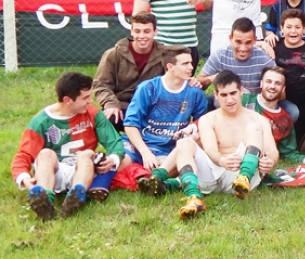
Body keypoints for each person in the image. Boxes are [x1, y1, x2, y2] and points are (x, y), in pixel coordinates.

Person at [11, 72, 123, 220]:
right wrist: (25, 180)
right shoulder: (41, 121)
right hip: (54, 171)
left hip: (82, 170)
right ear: (67, 100)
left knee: (87, 154)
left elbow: (115, 142)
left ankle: (76, 195)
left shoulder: (94, 114)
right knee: (45, 154)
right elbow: (23, 155)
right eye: (85, 98)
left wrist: (113, 158)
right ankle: (44, 198)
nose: (90, 101)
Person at [169, 71, 279, 219]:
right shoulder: (208, 119)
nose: (229, 99)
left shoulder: (259, 119)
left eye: (233, 93)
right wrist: (222, 160)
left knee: (254, 127)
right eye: (224, 95)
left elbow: (272, 151)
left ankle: (244, 179)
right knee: (183, 143)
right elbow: (210, 149)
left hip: (241, 171)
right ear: (216, 95)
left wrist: (270, 161)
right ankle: (194, 198)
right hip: (213, 173)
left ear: (241, 91)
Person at [119, 46, 207, 175]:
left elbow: (202, 124)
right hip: (137, 144)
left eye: (191, 63)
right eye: (185, 64)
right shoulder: (148, 88)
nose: (191, 67)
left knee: (161, 172)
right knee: (118, 164)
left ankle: (144, 176)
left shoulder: (195, 92)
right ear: (170, 67)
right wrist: (145, 153)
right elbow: (130, 124)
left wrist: (189, 134)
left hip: (164, 149)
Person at [93, 12, 166, 131]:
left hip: (151, 108)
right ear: (131, 31)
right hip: (121, 106)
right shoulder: (114, 54)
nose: (141, 36)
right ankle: (116, 144)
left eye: (147, 31)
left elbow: (175, 81)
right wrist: (110, 104)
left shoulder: (165, 55)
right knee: (108, 119)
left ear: (155, 31)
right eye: (137, 31)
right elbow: (101, 84)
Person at [242, 67, 305, 167]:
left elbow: (289, 153)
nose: (272, 86)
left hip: (261, 159)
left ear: (283, 88)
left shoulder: (285, 120)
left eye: (277, 83)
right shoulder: (244, 101)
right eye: (268, 81)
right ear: (261, 83)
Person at [264, 9, 305, 147]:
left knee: (301, 147)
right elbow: (250, 43)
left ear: (304, 29)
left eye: (297, 27)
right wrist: (262, 43)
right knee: (285, 142)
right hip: (284, 97)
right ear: (281, 28)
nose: (293, 31)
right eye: (289, 27)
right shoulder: (274, 46)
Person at [197, 17, 275, 95]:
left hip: (253, 100)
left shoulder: (265, 59)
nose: (243, 48)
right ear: (230, 38)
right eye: (238, 42)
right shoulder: (219, 56)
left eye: (248, 42)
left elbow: (278, 87)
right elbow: (198, 82)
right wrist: (214, 78)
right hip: (226, 100)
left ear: (255, 40)